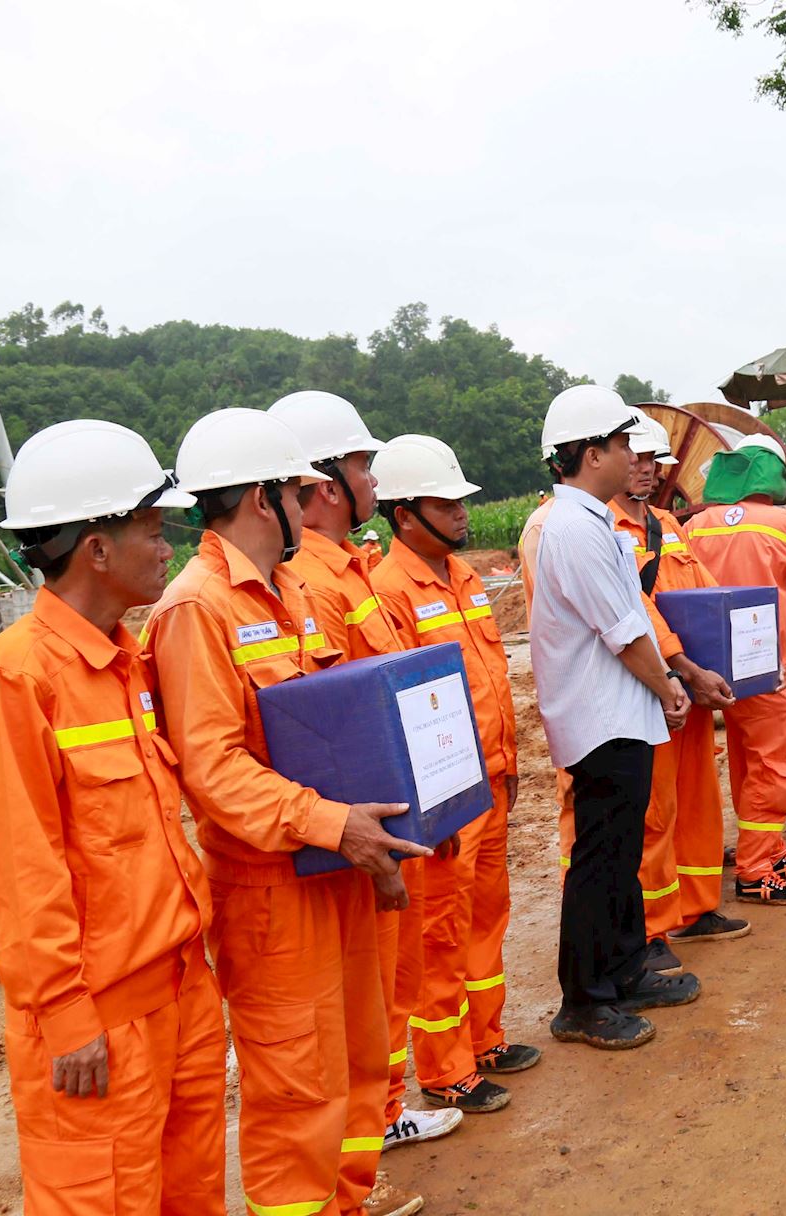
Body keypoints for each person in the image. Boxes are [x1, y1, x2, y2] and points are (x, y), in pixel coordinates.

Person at [143, 408, 425, 1216]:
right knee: (297, 1091)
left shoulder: (295, 589)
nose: (312, 508)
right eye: (301, 494)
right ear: (264, 500)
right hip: (272, 888)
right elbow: (213, 769)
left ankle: (348, 1202)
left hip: (337, 868)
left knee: (360, 1062)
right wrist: (334, 825)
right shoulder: (196, 608)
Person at [0, 420, 225, 1215]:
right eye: (152, 529)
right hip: (98, 1018)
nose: (167, 545)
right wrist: (66, 1015)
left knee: (192, 1194)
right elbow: (15, 868)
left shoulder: (125, 661)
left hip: (179, 992)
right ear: (95, 550)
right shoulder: (16, 680)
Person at [270, 390, 468, 1153]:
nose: (372, 480)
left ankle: (382, 1116)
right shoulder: (318, 584)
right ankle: (376, 1121)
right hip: (362, 826)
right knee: (370, 989)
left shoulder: (347, 572)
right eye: (360, 464)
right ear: (322, 483)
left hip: (387, 815)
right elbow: (342, 727)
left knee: (393, 978)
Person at [368, 435, 537, 1111]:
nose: (463, 514)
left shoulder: (464, 577)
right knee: (442, 926)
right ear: (404, 513)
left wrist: (511, 763)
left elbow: (490, 680)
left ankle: (485, 1037)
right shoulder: (388, 590)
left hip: (490, 778)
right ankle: (445, 1067)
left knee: (486, 916)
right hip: (445, 793)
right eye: (447, 503)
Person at [531, 385, 696, 1050]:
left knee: (620, 854)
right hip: (601, 719)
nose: (636, 457)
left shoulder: (588, 521)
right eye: (625, 444)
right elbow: (623, 632)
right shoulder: (573, 528)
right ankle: (584, 1000)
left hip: (616, 715)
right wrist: (668, 687)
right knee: (599, 860)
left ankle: (623, 970)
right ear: (591, 452)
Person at [572, 414, 756, 952]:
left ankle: (697, 905)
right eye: (638, 457)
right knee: (652, 811)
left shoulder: (667, 526)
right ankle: (652, 926)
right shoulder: (601, 529)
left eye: (655, 461)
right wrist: (683, 669)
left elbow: (705, 589)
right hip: (649, 686)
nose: (646, 469)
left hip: (690, 688)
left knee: (697, 799)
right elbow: (638, 611)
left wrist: (729, 649)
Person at [685, 435, 786, 900]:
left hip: (719, 670)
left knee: (748, 762)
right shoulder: (782, 522)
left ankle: (767, 849)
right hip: (771, 666)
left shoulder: (696, 525)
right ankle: (753, 869)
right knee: (776, 763)